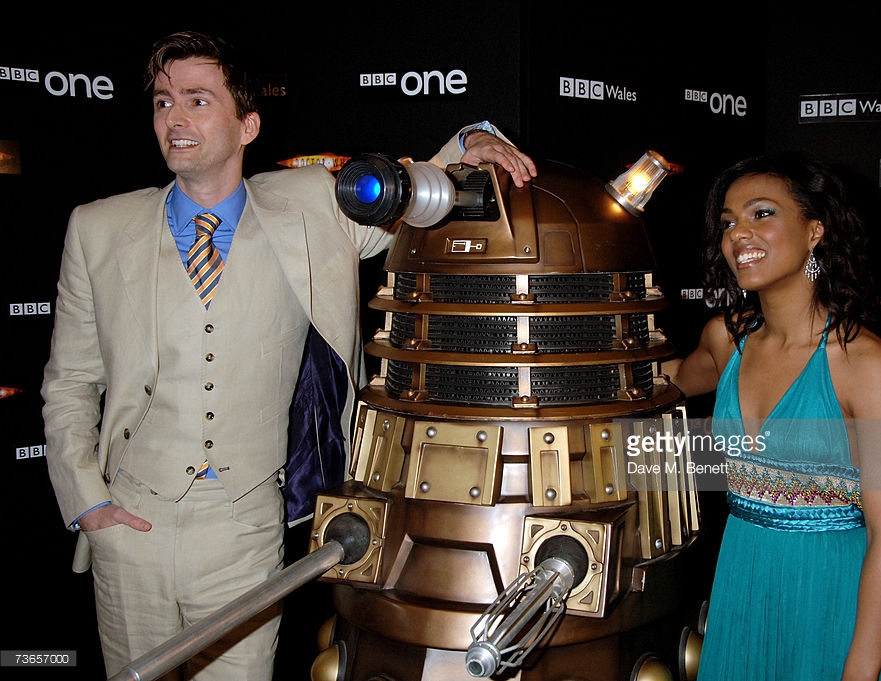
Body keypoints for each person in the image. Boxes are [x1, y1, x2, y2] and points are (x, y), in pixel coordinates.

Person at [40, 30, 536, 681]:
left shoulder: (308, 207)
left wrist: (469, 139)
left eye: (196, 100)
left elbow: (405, 195)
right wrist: (88, 503)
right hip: (132, 531)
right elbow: (69, 382)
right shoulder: (97, 227)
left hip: (245, 532)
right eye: (163, 103)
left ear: (248, 123)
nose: (175, 119)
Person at [662, 151, 881, 680]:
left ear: (815, 231)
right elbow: (662, 382)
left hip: (843, 609)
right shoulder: (726, 340)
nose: (739, 233)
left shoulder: (866, 366)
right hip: (745, 594)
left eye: (761, 213)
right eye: (728, 222)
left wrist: (859, 672)